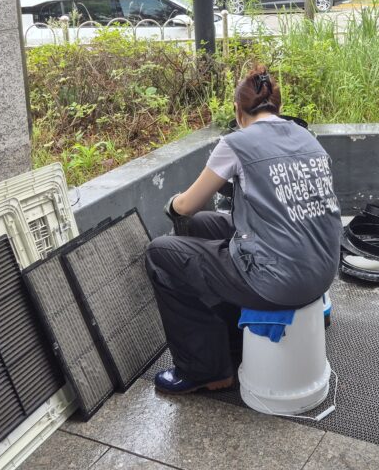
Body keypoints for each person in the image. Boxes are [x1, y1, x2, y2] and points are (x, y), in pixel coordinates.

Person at [145, 65, 342, 394]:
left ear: (238, 110)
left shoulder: (237, 143)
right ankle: (231, 337)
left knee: (161, 253)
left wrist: (173, 204)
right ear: (278, 106)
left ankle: (204, 369)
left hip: (278, 282)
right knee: (202, 225)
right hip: (321, 272)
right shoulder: (306, 137)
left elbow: (186, 206)